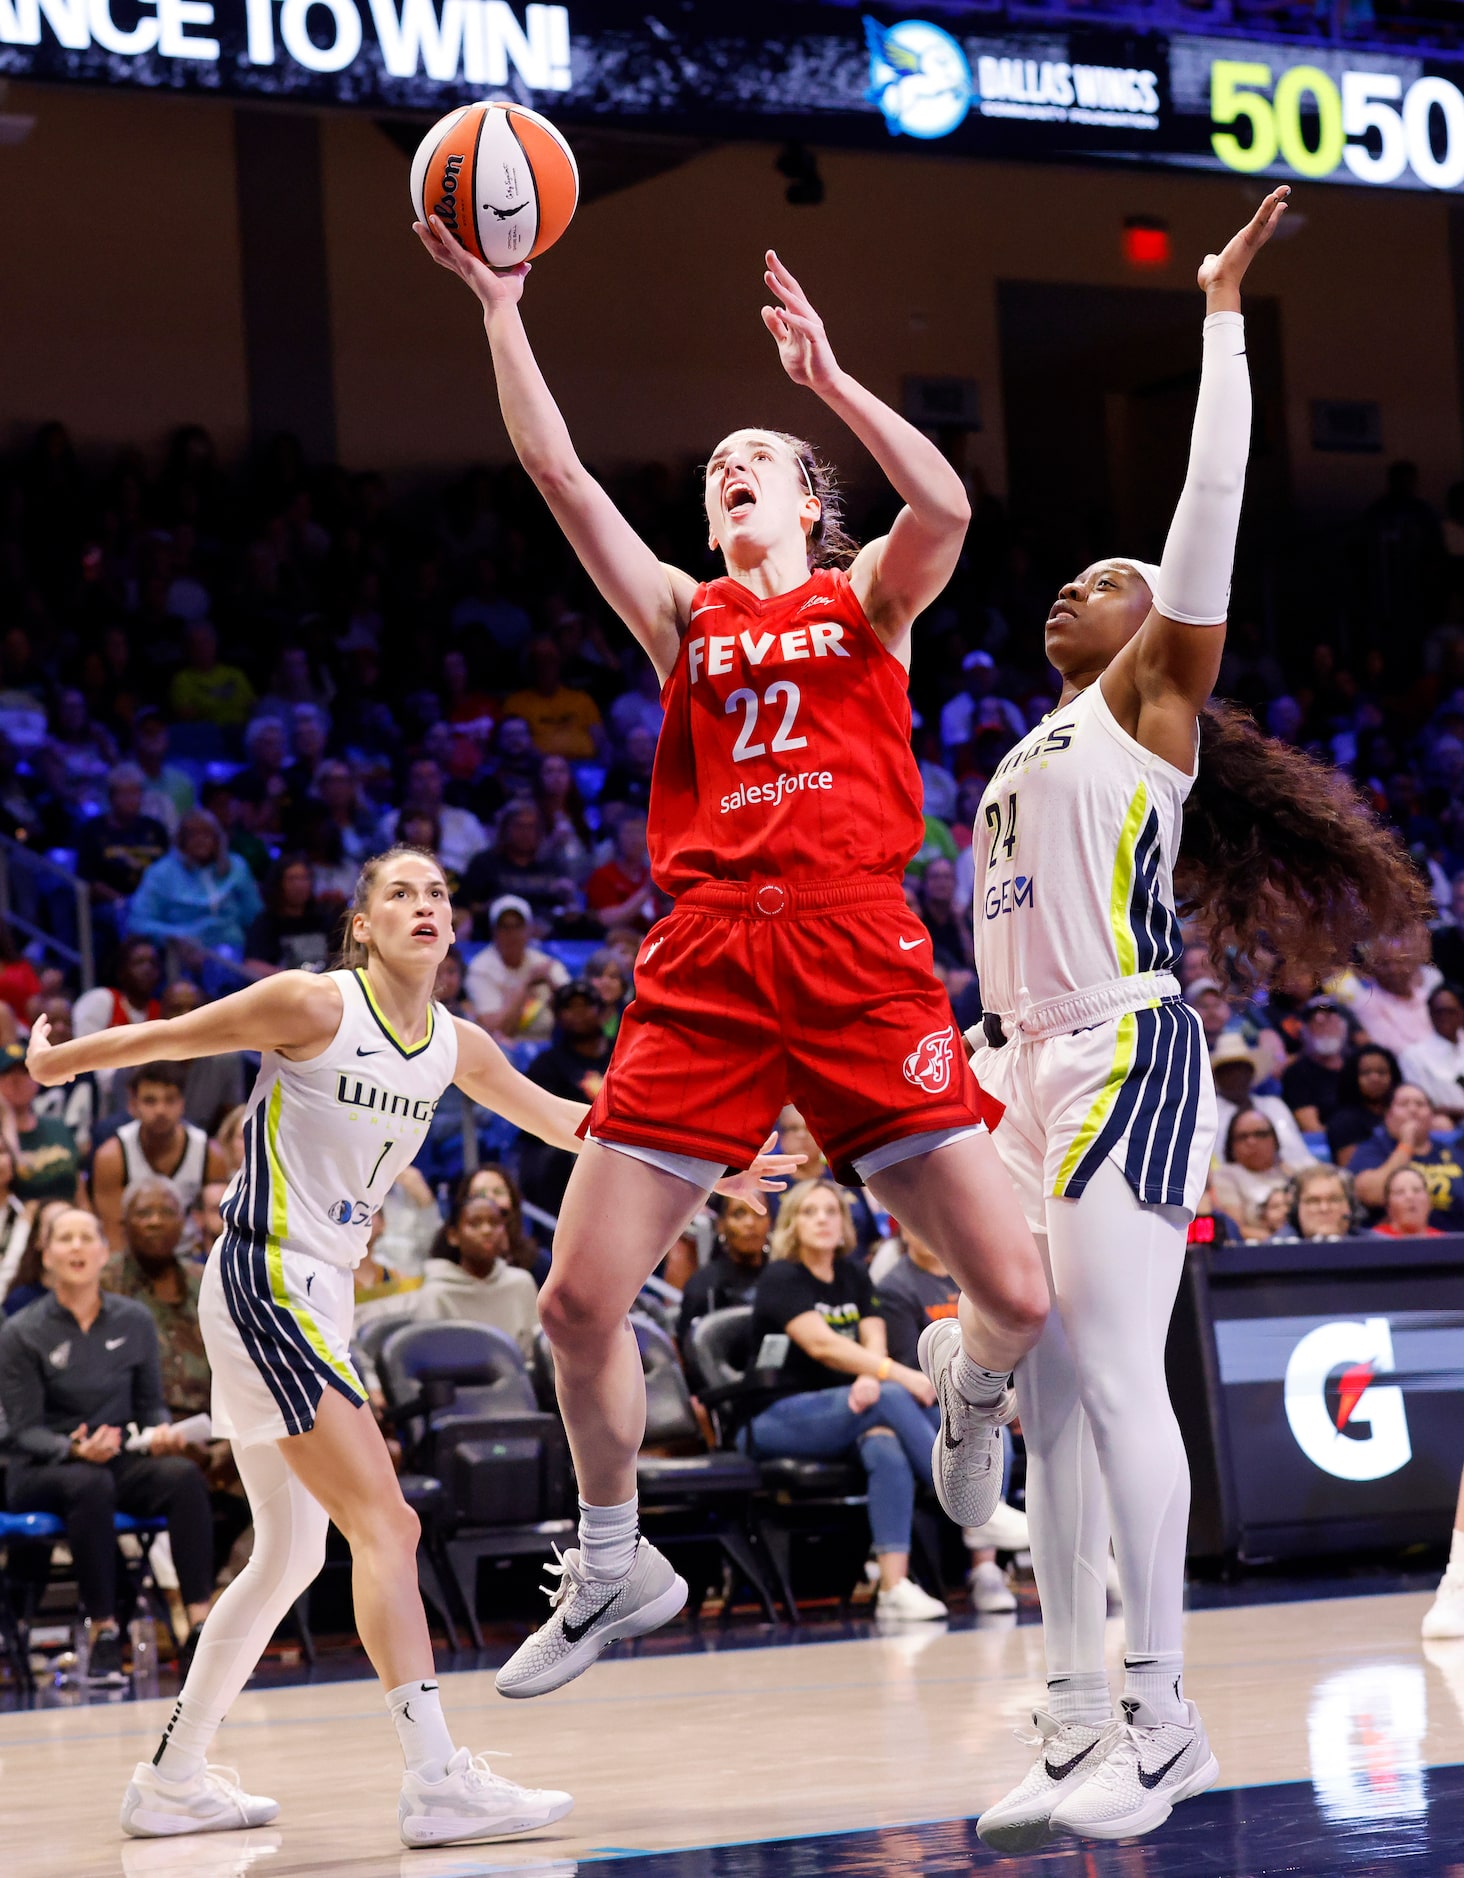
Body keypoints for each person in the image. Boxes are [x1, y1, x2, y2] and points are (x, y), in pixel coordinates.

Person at [415, 219, 1046, 1703]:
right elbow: (560, 476)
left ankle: (970, 1381)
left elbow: (947, 505)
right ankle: (617, 1550)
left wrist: (826, 381)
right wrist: (504, 308)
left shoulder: (867, 602)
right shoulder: (683, 616)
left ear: (811, 499)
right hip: (702, 959)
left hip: (853, 944)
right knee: (576, 1302)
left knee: (1012, 1291)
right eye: (713, 467)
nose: (728, 467)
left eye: (754, 455)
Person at [957, 191, 1427, 1850]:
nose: (1066, 591)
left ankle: (1161, 1713)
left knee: (1104, 1371)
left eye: (1106, 579)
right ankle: (1080, 1713)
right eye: (1073, 578)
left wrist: (1218, 315)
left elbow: (1205, 501)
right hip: (1019, 1062)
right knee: (1050, 1394)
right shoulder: (1014, 762)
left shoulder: (1145, 713)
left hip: (1121, 1047)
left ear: (1151, 627)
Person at [25, 843, 786, 1845]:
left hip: (320, 1292)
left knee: (292, 1554)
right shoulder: (314, 1004)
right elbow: (168, 1036)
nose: (423, 905)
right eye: (399, 892)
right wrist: (53, 1063)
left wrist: (701, 1160)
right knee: (390, 1526)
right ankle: (434, 1778)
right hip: (265, 1276)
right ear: (363, 923)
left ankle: (172, 1777)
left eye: (437, 893)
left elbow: (565, 1120)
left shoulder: (457, 1046)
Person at [0, 1207, 214, 1685]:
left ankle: (200, 1626)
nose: (76, 1247)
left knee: (181, 1477)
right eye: (64, 1239)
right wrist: (72, 1449)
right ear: (47, 1255)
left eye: (85, 1238)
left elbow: (150, 1405)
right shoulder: (21, 1332)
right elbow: (19, 1429)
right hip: (42, 1467)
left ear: (103, 1252)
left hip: (117, 1458)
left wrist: (161, 1433)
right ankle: (104, 1633)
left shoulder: (134, 1321)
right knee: (90, 1482)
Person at [741, 1178, 948, 1622]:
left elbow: (874, 1337)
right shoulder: (782, 1277)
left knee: (885, 1445)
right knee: (895, 1393)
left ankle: (893, 1587)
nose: (822, 1220)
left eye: (831, 1211)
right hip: (776, 1415)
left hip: (851, 1407)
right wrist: (892, 1377)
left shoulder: (853, 1273)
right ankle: (957, 1494)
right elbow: (822, 1345)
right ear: (792, 1224)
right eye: (810, 1212)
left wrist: (870, 1377)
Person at [876, 1220, 1028, 1614]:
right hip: (925, 1392)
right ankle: (981, 1513)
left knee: (991, 1410)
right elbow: (909, 1361)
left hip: (971, 1390)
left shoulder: (970, 1277)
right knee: (968, 1410)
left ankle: (986, 1569)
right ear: (903, 1229)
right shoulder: (895, 1287)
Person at [103, 1175, 212, 1422]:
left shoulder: (205, 1279)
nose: (156, 1222)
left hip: (211, 1422)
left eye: (166, 1212)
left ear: (183, 1221)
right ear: (124, 1223)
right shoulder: (105, 1282)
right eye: (143, 1214)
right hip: (136, 1424)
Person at [92, 1062, 228, 1252]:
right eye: (150, 1101)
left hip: (192, 1257)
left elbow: (219, 1228)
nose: (160, 1110)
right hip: (134, 1258)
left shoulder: (211, 1154)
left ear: (182, 1103)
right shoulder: (111, 1157)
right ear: (132, 1105)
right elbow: (113, 1232)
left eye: (170, 1100)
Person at [517, 981, 614, 1214]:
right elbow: (539, 1120)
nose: (578, 1013)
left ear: (601, 1011)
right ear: (559, 1016)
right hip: (567, 1147)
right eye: (569, 1007)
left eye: (585, 1005)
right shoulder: (546, 1064)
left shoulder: (624, 1053)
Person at [411, 1190, 540, 1358]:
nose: (486, 1230)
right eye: (475, 1224)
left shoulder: (522, 1283)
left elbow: (538, 1352)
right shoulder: (436, 1294)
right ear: (453, 1236)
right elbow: (430, 1363)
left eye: (494, 1223)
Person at [127, 811, 263, 965]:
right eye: (193, 835)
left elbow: (255, 915)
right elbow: (138, 922)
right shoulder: (161, 872)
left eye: (206, 834)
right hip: (182, 953)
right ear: (181, 840)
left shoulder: (237, 866)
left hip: (235, 949)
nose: (200, 840)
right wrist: (177, 935)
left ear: (218, 839)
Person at [1349, 1081, 1464, 1230]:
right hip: (1392, 1245)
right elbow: (1373, 1195)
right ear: (1388, 1115)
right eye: (1404, 1104)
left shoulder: (1453, 1153)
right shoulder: (1373, 1149)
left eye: (1420, 1104)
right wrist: (1406, 1144)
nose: (1413, 1109)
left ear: (1431, 1115)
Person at [464, 895, 568, 1043]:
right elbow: (496, 1030)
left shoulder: (545, 964)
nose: (512, 934)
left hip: (550, 1044)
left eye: (518, 926)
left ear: (530, 929)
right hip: (505, 1050)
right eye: (504, 927)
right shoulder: (480, 969)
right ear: (494, 931)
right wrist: (525, 986)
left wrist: (553, 987)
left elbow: (575, 1007)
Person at [676, 1195, 769, 1349]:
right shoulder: (703, 1286)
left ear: (770, 1222)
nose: (750, 1223)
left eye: (759, 1214)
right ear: (721, 1224)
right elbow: (686, 1352)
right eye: (738, 1214)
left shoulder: (784, 1277)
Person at [1210, 1032, 1312, 1169]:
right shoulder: (1207, 1113)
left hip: (1289, 1175)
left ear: (1251, 1073)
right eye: (1228, 1070)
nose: (1236, 1076)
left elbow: (1299, 1152)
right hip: (1231, 1182)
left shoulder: (1275, 1105)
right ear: (1216, 1077)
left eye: (1241, 1069)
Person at [0, 1042, 80, 1202]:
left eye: (24, 1072)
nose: (16, 1080)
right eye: (7, 1072)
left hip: (69, 1218)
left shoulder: (57, 1126)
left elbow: (79, 1187)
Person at [243, 853, 337, 975]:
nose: (299, 885)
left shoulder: (324, 917)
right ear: (278, 883)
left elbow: (340, 955)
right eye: (292, 879)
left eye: (304, 878)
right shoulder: (266, 922)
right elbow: (252, 964)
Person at [1281, 995, 1351, 1133]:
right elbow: (1312, 1128)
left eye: (1329, 1019)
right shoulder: (1297, 1074)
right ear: (1305, 1031)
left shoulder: (1357, 1064)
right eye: (1315, 1021)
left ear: (1343, 1026)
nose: (1323, 1024)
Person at [1327, 1044, 1403, 1167]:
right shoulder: (1343, 1121)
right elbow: (1353, 1171)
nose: (1375, 1078)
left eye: (1381, 1072)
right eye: (1366, 1073)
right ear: (1353, 1078)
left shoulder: (1401, 1115)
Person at [1400, 982, 1464, 1123]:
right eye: (1438, 1012)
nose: (1444, 1017)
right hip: (1444, 1128)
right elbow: (1421, 1104)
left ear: (1461, 1013)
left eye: (1450, 1011)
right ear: (1430, 1014)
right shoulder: (1413, 1055)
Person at [1369, 1163, 1444, 1239]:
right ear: (1388, 1206)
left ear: (1429, 1202)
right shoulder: (1373, 1240)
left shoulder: (1444, 1242)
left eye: (1417, 1190)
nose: (1410, 1197)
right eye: (1400, 1192)